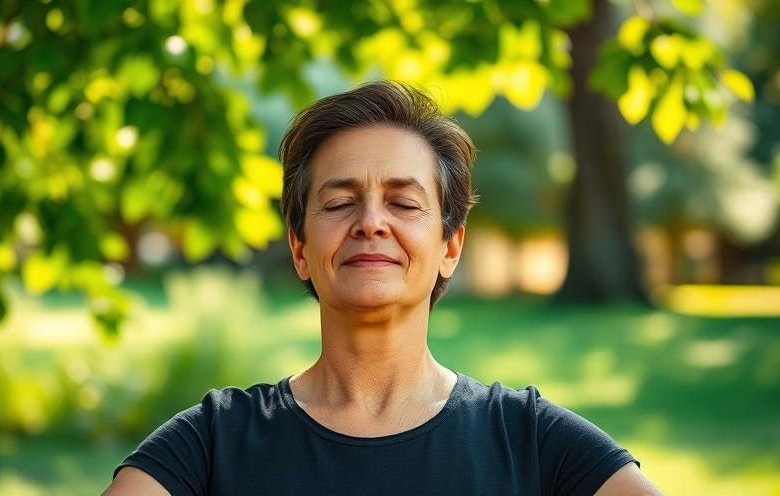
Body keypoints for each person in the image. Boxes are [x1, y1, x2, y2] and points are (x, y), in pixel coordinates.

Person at [103, 80, 664, 495]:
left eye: (404, 202)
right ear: (300, 248)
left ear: (450, 247)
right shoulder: (213, 444)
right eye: (340, 202)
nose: (371, 222)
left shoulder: (532, 441)